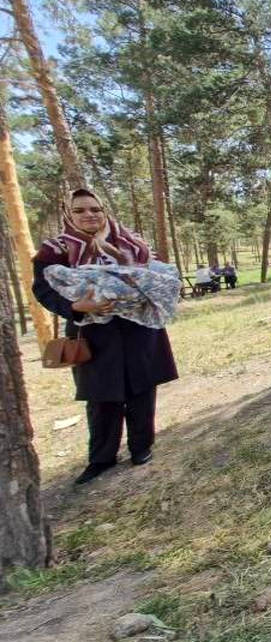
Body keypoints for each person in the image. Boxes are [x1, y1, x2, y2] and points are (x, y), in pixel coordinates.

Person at [32, 189, 178, 485]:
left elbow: (155, 274)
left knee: (141, 388)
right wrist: (76, 307)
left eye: (95, 209)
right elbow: (43, 289)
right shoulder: (55, 250)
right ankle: (101, 458)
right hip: (92, 332)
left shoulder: (131, 242)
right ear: (68, 215)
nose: (89, 215)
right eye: (80, 210)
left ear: (105, 211)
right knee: (101, 396)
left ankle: (141, 447)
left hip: (137, 329)